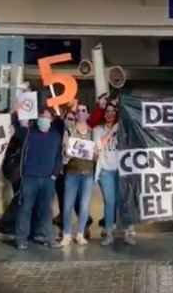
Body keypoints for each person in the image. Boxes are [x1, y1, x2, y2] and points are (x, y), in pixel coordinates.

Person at [14, 106, 65, 250]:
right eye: (41, 116)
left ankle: (48, 237)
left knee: (46, 210)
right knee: (25, 208)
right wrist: (20, 110)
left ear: (52, 120)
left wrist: (54, 174)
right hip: (30, 177)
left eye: (47, 117)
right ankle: (21, 239)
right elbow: (18, 127)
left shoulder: (56, 135)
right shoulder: (29, 133)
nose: (44, 119)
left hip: (48, 179)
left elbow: (58, 157)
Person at [94, 102, 136, 246]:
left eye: (113, 111)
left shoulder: (122, 130)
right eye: (107, 111)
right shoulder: (98, 129)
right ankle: (109, 234)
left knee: (123, 201)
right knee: (110, 202)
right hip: (106, 171)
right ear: (104, 114)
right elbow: (98, 146)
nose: (110, 114)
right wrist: (111, 131)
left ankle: (127, 233)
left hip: (121, 171)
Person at [60, 103, 96, 246]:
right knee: (67, 204)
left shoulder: (92, 132)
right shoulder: (69, 130)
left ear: (88, 114)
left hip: (87, 173)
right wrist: (65, 151)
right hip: (72, 173)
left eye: (84, 110)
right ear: (75, 114)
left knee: (84, 205)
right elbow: (64, 151)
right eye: (78, 110)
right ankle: (67, 234)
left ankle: (80, 234)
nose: (81, 112)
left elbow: (96, 155)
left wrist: (95, 154)